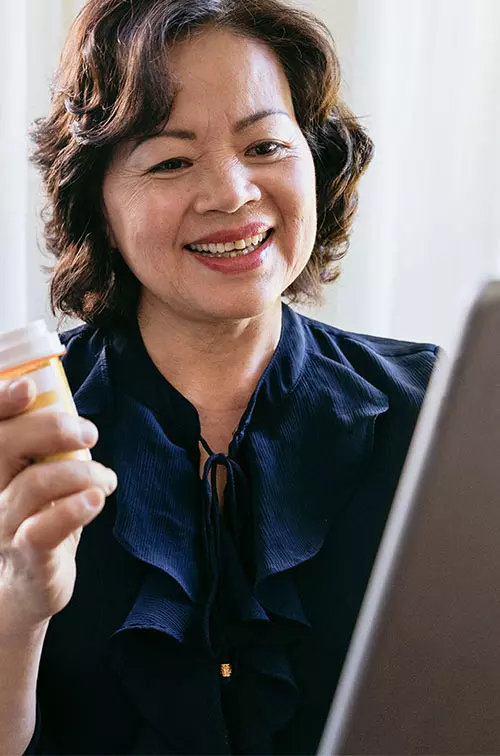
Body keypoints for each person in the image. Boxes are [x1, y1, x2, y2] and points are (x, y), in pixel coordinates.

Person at [0, 0, 439, 753]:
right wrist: (16, 612)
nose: (232, 194)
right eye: (171, 160)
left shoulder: (442, 414)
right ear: (98, 204)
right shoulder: (19, 436)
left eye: (265, 145)